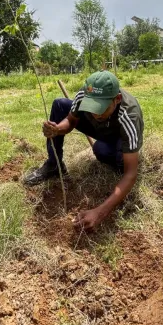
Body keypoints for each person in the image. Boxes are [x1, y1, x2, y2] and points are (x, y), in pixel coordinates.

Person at [23, 71, 144, 230]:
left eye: (101, 108)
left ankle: (115, 151)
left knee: (103, 153)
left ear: (117, 100)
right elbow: (71, 120)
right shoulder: (83, 96)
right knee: (60, 104)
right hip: (99, 129)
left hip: (117, 137)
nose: (95, 114)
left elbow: (131, 174)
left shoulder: (129, 116)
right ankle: (54, 165)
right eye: (92, 107)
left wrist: (100, 212)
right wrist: (58, 129)